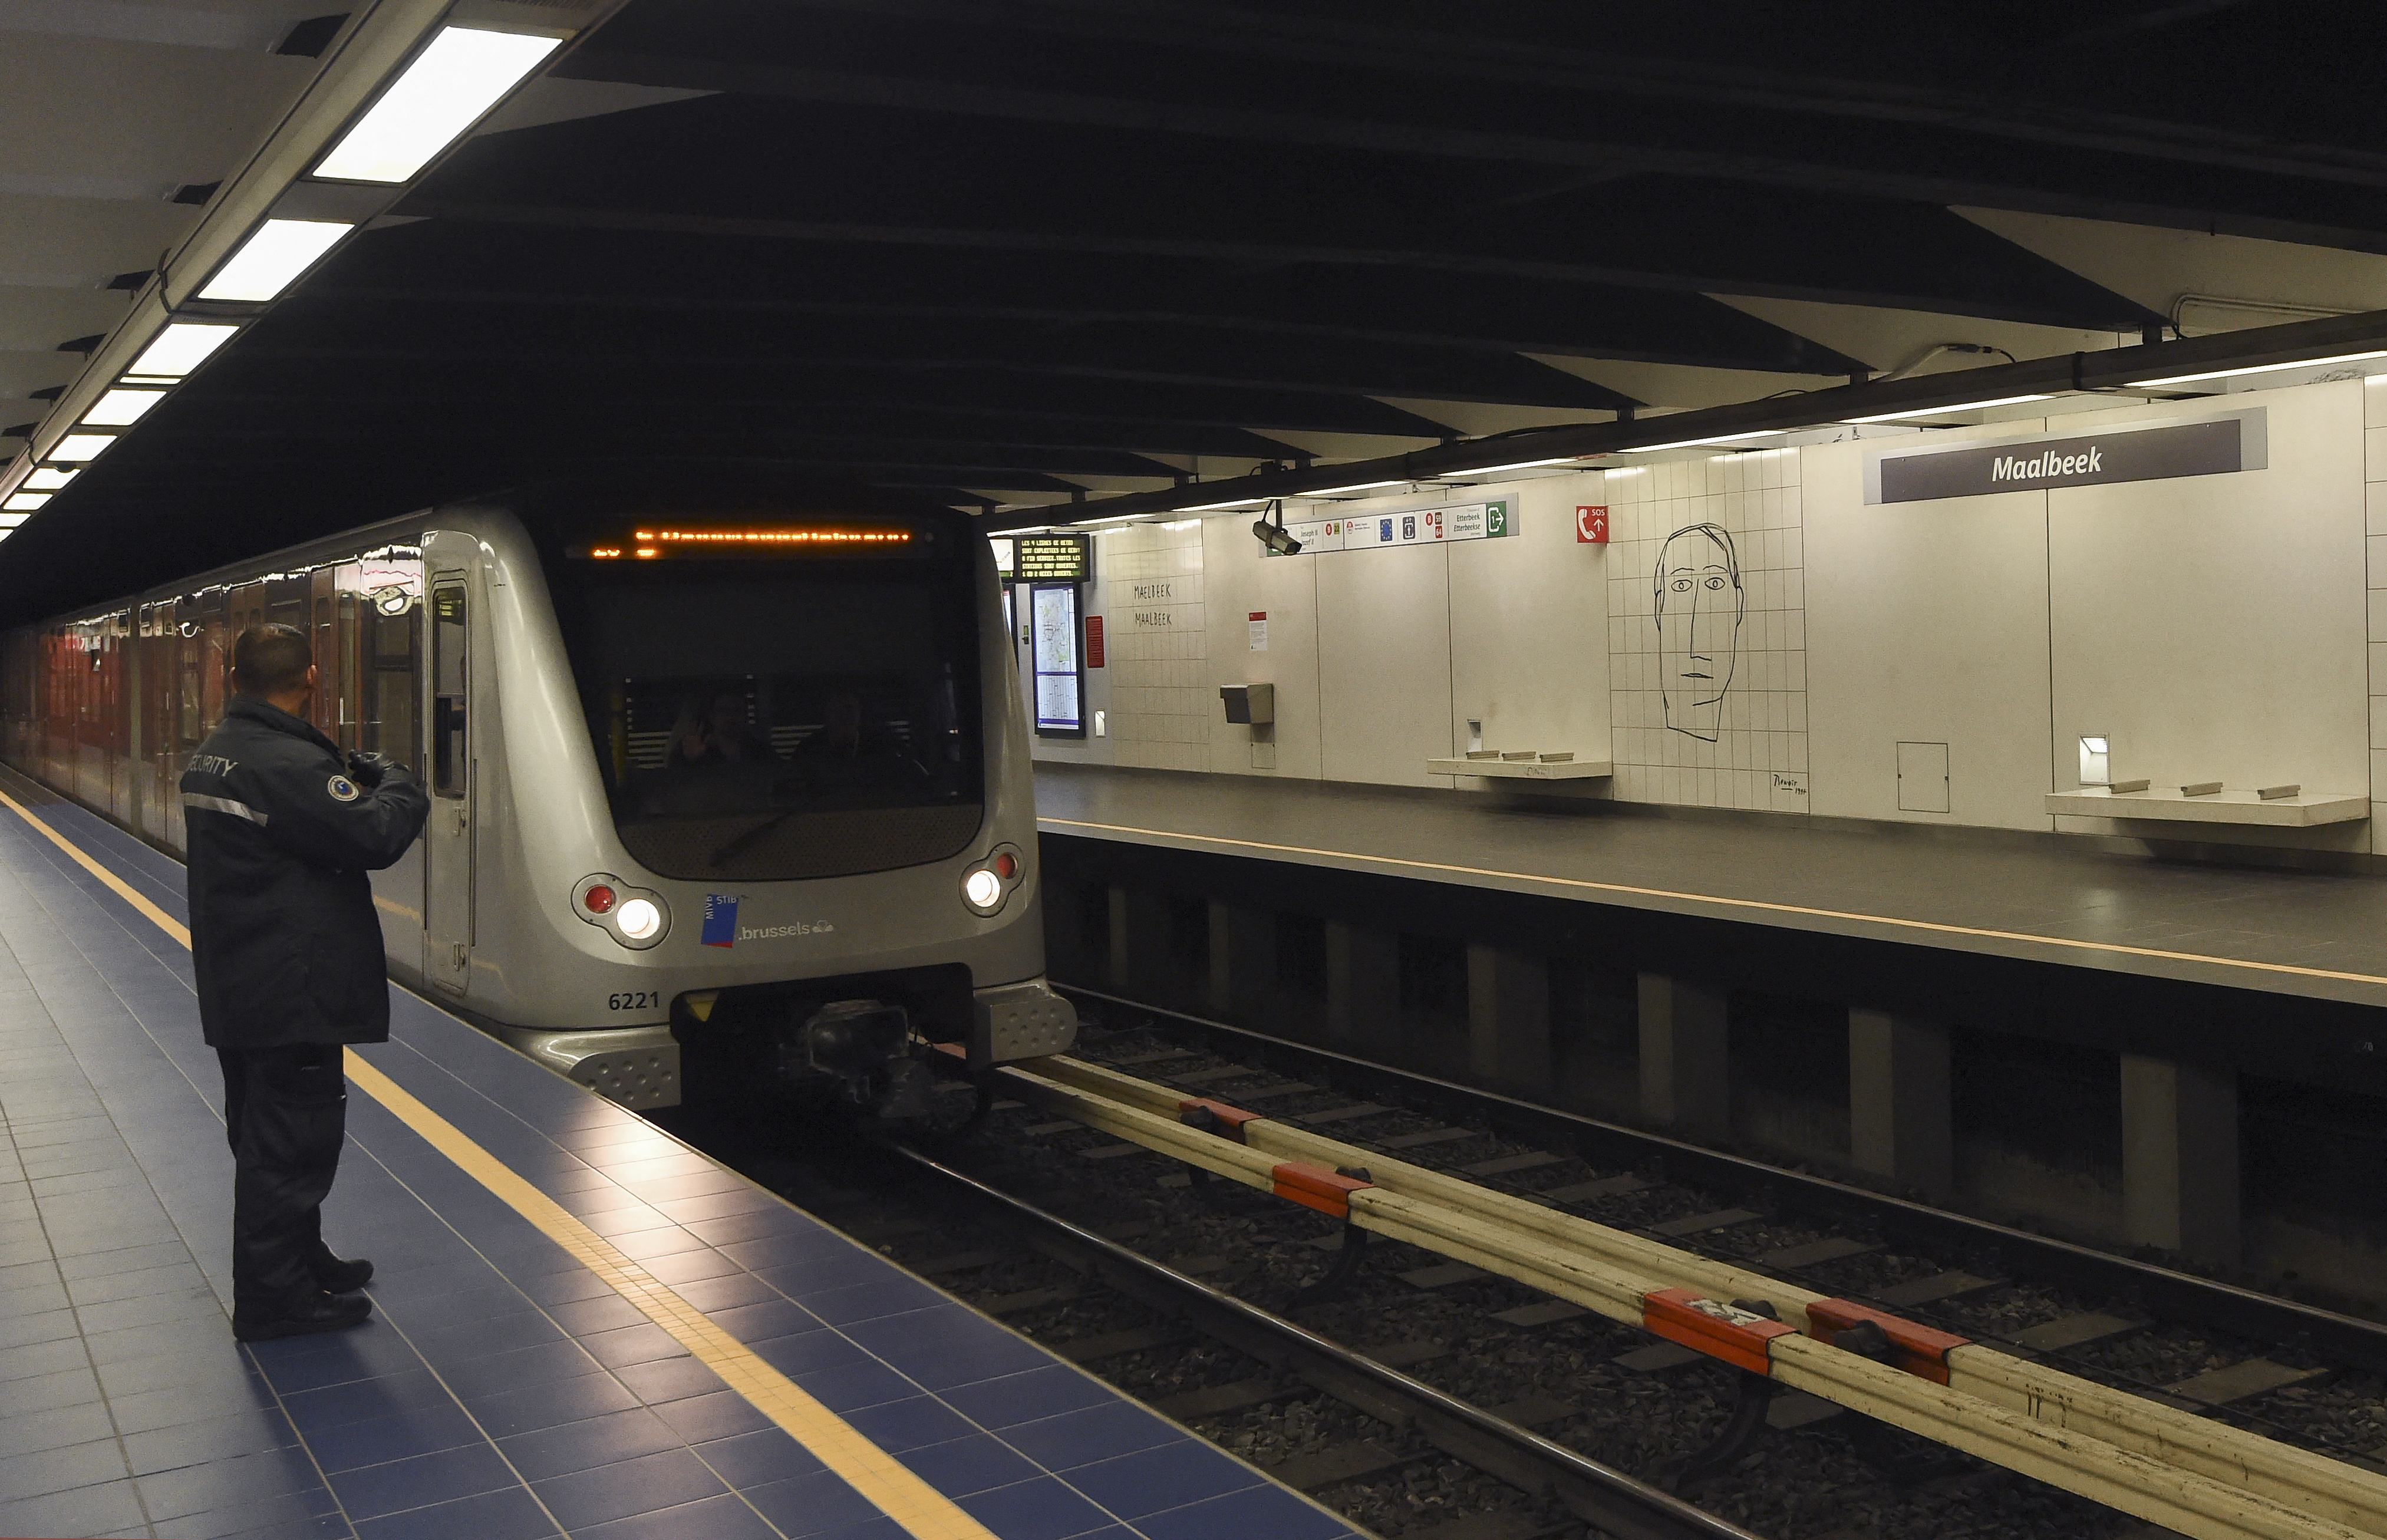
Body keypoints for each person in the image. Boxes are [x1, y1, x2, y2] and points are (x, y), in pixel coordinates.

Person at [181, 623, 430, 1341]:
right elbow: (377, 834)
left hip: (244, 980)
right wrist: (398, 778)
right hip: (295, 986)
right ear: (311, 678)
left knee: (265, 1131)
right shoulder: (284, 763)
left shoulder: (216, 756)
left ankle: (299, 1259)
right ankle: (273, 1300)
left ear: (234, 680)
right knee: (291, 1143)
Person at [667, 689, 774, 767]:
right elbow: (672, 783)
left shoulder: (760, 752)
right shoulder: (695, 749)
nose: (731, 716)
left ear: (745, 715)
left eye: (737, 709)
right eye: (723, 710)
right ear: (712, 716)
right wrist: (690, 759)